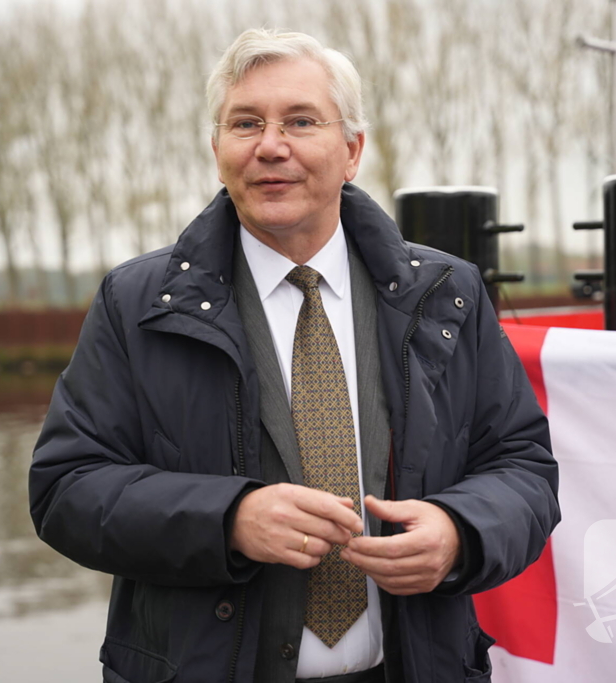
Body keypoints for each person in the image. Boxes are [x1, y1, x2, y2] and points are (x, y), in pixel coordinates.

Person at [29, 28, 558, 683]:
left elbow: (524, 467)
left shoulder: (446, 294)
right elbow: (64, 489)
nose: (270, 145)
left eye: (300, 121)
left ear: (352, 150)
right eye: (245, 122)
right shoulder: (135, 302)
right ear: (217, 148)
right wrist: (228, 518)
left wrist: (461, 531)